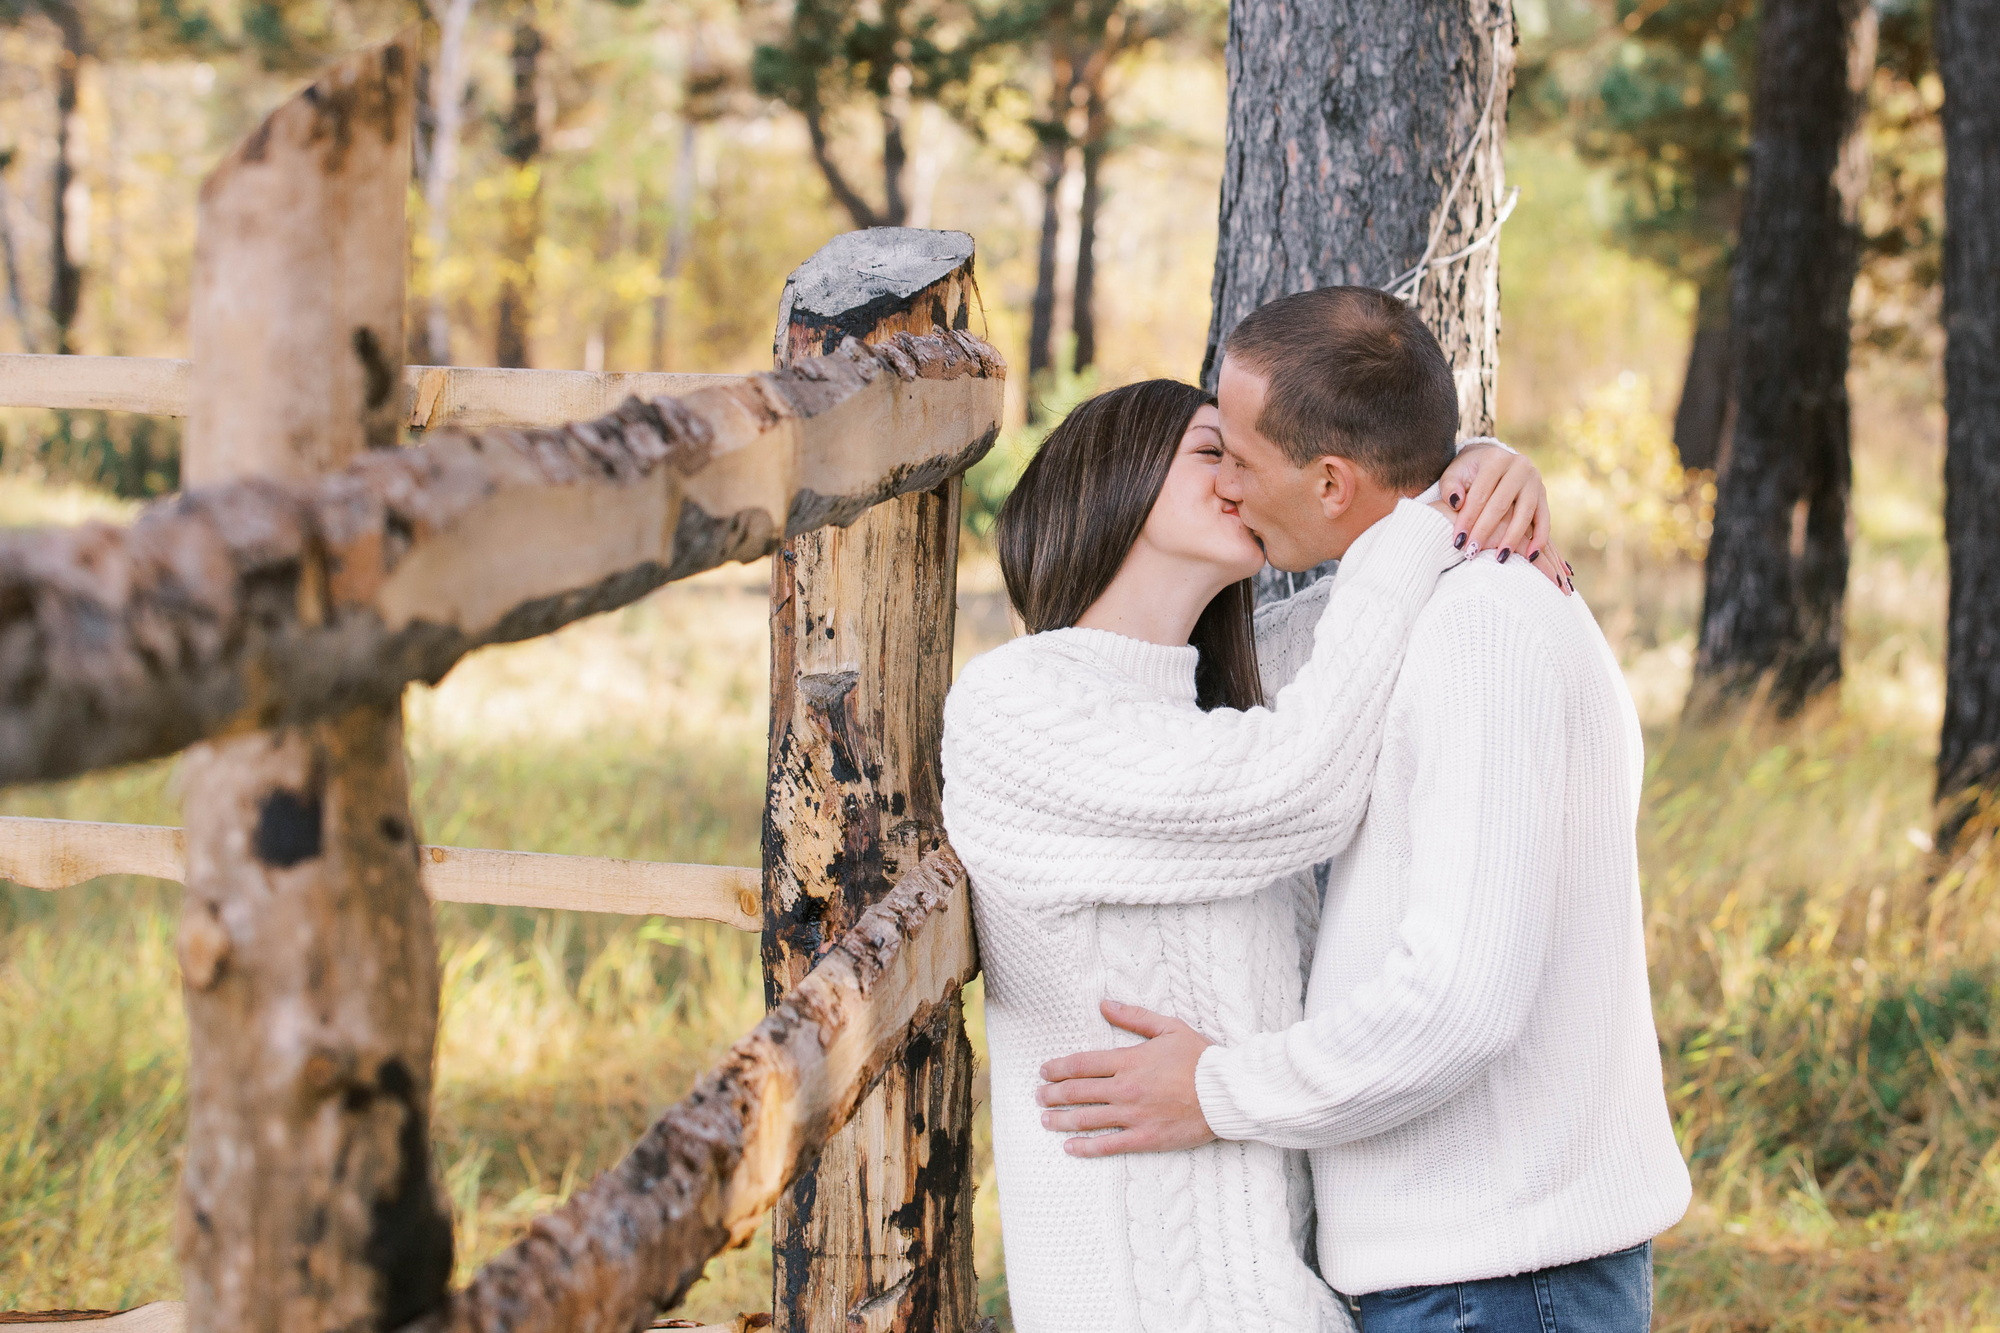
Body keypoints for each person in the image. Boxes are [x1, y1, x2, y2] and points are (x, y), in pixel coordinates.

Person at [1030, 286, 1693, 1332]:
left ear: (1330, 480)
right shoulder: (1420, 606)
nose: (1230, 489)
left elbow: (1457, 1004)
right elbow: (1263, 682)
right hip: (1471, 1265)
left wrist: (1213, 1091)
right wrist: (1472, 458)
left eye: (1237, 459)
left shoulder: (1482, 629)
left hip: (1499, 1275)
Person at [941, 342, 1559, 1329]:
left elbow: (1364, 620)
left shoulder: (1214, 702)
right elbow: (1297, 783)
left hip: (1292, 1300)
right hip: (1143, 1307)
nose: (1240, 479)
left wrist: (1476, 467)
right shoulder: (1017, 705)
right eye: (1209, 452)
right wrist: (1422, 518)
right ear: (1119, 478)